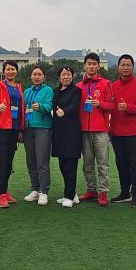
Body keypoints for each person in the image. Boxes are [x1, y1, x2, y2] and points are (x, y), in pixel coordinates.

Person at [110, 54, 136, 208]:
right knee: (121, 163)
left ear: (133, 67)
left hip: (134, 131)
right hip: (116, 131)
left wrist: (129, 108)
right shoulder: (112, 86)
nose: (125, 68)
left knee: (135, 164)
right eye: (123, 65)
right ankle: (124, 192)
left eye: (128, 65)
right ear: (118, 67)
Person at [76, 53, 114, 207]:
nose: (91, 66)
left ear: (98, 66)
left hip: (101, 130)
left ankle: (103, 191)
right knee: (87, 163)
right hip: (84, 129)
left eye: (94, 64)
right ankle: (91, 190)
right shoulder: (79, 86)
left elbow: (111, 106)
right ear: (84, 66)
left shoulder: (106, 84)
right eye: (89, 64)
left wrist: (100, 104)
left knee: (103, 162)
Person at [0, 60, 25, 208]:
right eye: (8, 69)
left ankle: (5, 190)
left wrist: (21, 128)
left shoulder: (18, 87)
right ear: (4, 72)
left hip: (14, 127)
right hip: (1, 127)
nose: (10, 72)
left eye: (13, 69)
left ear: (17, 71)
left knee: (9, 161)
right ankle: (1, 194)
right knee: (2, 160)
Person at [52, 65, 83, 208]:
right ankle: (72, 193)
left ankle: (69, 196)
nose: (66, 77)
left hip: (72, 133)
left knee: (70, 166)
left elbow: (75, 106)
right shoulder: (55, 91)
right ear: (59, 77)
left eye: (68, 74)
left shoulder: (77, 91)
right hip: (59, 133)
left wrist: (64, 111)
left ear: (72, 76)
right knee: (63, 166)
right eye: (63, 74)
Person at [22, 65, 54, 206]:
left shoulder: (48, 90)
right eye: (34, 74)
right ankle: (35, 189)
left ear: (44, 76)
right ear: (31, 76)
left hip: (43, 128)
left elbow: (49, 106)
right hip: (28, 129)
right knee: (31, 161)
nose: (36, 77)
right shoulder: (27, 92)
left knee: (42, 161)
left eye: (39, 74)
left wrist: (40, 107)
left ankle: (44, 191)